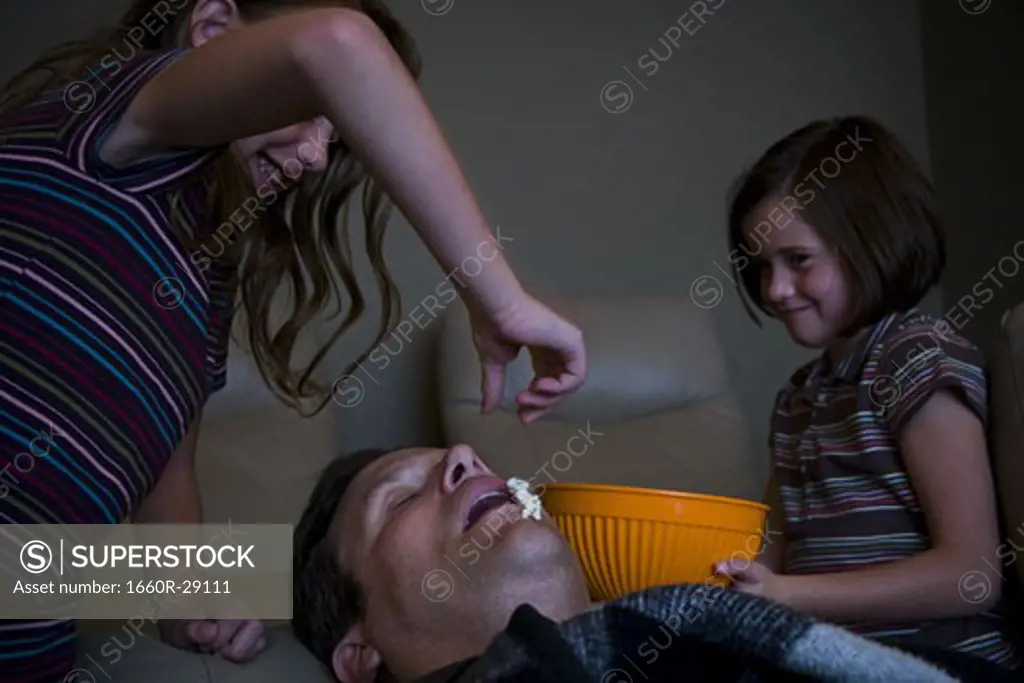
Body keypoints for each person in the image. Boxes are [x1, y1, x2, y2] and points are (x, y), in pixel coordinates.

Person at [0, 2, 586, 681]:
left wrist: (190, 593)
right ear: (215, 29)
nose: (313, 157)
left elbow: (82, 529)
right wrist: (499, 298)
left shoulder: (202, 285)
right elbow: (336, 44)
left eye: (334, 140)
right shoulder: (113, 116)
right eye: (307, 108)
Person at [291, 443, 1021, 683]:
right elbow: (172, 568)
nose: (463, 456)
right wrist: (216, 583)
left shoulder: (662, 625)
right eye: (399, 497)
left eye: (455, 456)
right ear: (358, 657)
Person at [711, 115, 1020, 671]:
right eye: (761, 268)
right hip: (822, 655)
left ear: (871, 240)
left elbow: (971, 577)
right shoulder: (798, 398)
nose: (775, 290)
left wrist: (788, 595)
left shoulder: (915, 357)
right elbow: (770, 547)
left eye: (798, 260)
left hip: (942, 660)